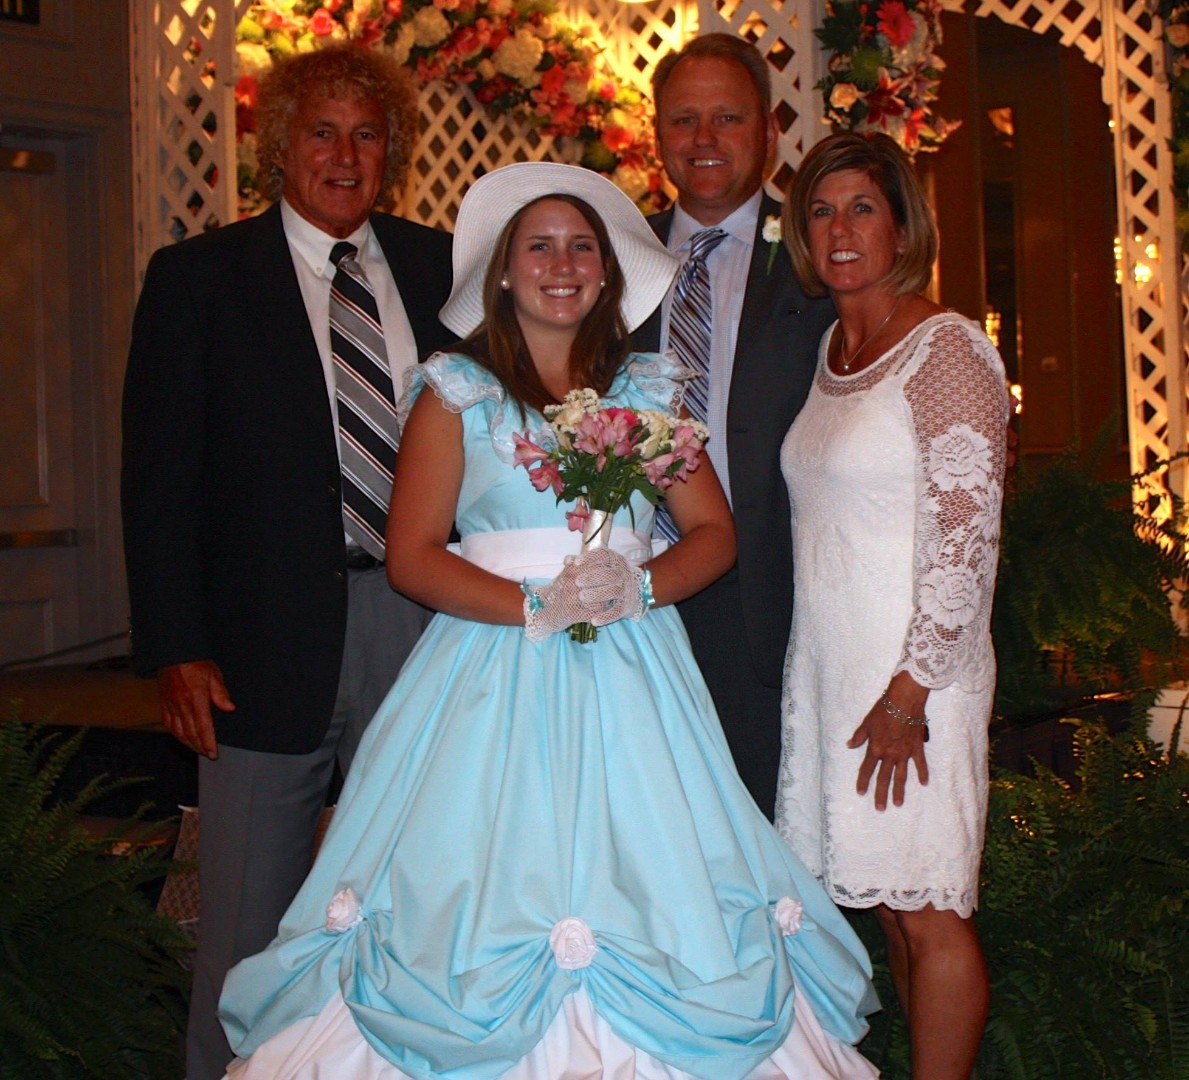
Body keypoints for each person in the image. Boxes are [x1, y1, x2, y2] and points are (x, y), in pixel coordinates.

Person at [215, 161, 879, 1080]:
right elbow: (413, 557)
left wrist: (639, 589)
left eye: (580, 248)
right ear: (501, 271)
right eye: (538, 246)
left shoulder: (647, 392)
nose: (561, 265)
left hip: (634, 669)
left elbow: (714, 535)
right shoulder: (456, 393)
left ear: (606, 275)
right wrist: (537, 606)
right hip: (488, 668)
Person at [120, 44, 454, 1080]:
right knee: (243, 939)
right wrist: (175, 646)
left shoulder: (443, 270)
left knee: (428, 909)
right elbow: (157, 479)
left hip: (426, 628)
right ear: (279, 147)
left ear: (391, 152)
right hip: (257, 653)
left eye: (367, 135)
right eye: (322, 132)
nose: (345, 156)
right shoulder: (198, 280)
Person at [776, 131, 1009, 1080]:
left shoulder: (944, 347)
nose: (839, 230)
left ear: (902, 228)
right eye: (821, 211)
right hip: (839, 677)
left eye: (861, 208)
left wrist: (910, 692)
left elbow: (967, 539)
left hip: (916, 686)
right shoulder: (833, 349)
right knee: (891, 911)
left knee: (931, 911)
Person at [634, 33, 836, 817]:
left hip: (768, 607)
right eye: (683, 119)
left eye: (727, 117)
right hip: (631, 595)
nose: (704, 138)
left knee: (762, 837)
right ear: (658, 134)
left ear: (769, 131)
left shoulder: (820, 256)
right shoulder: (609, 258)